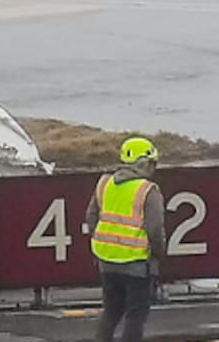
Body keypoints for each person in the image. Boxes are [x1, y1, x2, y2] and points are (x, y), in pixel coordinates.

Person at [85, 136, 166, 342]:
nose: (154, 168)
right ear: (145, 163)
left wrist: (101, 242)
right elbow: (155, 228)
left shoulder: (104, 184)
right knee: (135, 315)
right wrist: (159, 254)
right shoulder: (148, 190)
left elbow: (91, 216)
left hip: (106, 261)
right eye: (153, 164)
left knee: (111, 311)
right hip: (137, 264)